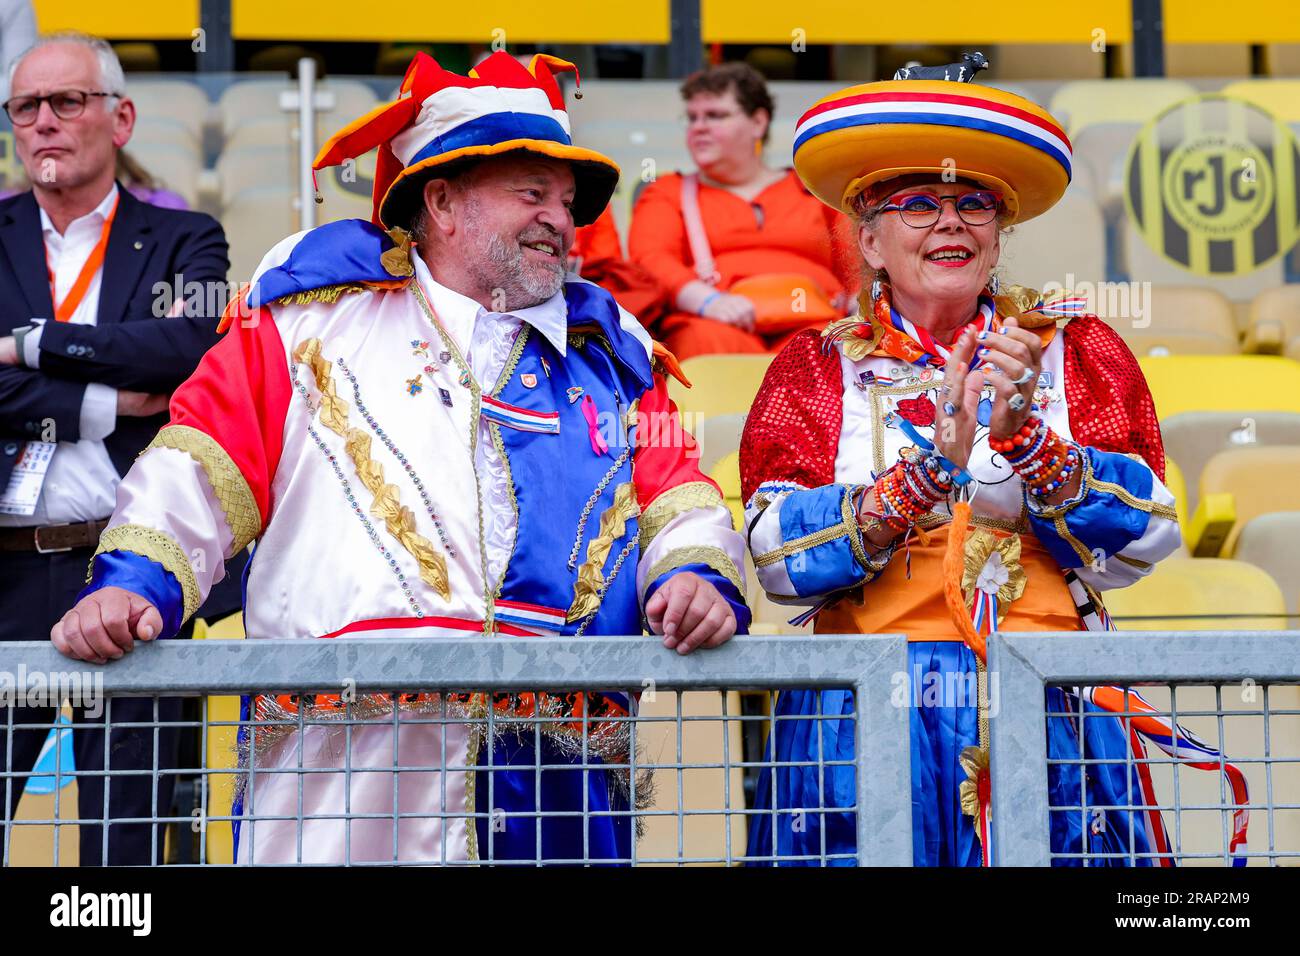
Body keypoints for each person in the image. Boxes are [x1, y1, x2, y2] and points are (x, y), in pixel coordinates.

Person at [52, 51, 750, 865]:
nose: (560, 220)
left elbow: (681, 496)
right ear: (442, 201)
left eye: (566, 202)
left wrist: (694, 574)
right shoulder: (310, 325)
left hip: (553, 786)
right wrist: (134, 584)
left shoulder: (611, 358)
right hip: (342, 780)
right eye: (531, 193)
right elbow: (198, 466)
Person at [740, 68, 1246, 865]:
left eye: (974, 204)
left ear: (1000, 236)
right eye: (918, 204)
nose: (952, 223)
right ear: (868, 240)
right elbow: (774, 557)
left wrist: (1031, 447)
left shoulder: (1076, 351)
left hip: (1045, 696)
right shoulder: (813, 366)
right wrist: (927, 471)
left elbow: (1150, 530)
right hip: (867, 707)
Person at [0, 32, 241, 864]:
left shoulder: (186, 239)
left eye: (68, 101)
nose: (44, 124)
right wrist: (105, 396)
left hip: (133, 575)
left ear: (122, 117)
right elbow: (146, 367)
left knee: (128, 845)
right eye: (26, 107)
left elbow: (185, 353)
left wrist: (29, 346)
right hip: (7, 573)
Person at [628, 62, 857, 361]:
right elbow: (650, 259)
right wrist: (706, 300)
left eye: (715, 116)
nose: (698, 127)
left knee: (839, 345)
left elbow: (860, 262)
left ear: (758, 122)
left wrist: (861, 305)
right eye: (693, 117)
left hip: (817, 322)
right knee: (698, 344)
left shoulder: (815, 188)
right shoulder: (669, 190)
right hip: (714, 327)